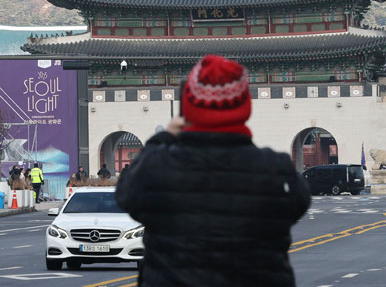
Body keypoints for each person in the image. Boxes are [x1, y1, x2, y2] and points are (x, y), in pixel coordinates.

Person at [116, 54, 311, 286]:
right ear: (244, 104)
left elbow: (126, 195)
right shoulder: (276, 170)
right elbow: (298, 204)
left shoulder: (157, 167)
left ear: (188, 107)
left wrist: (164, 137)